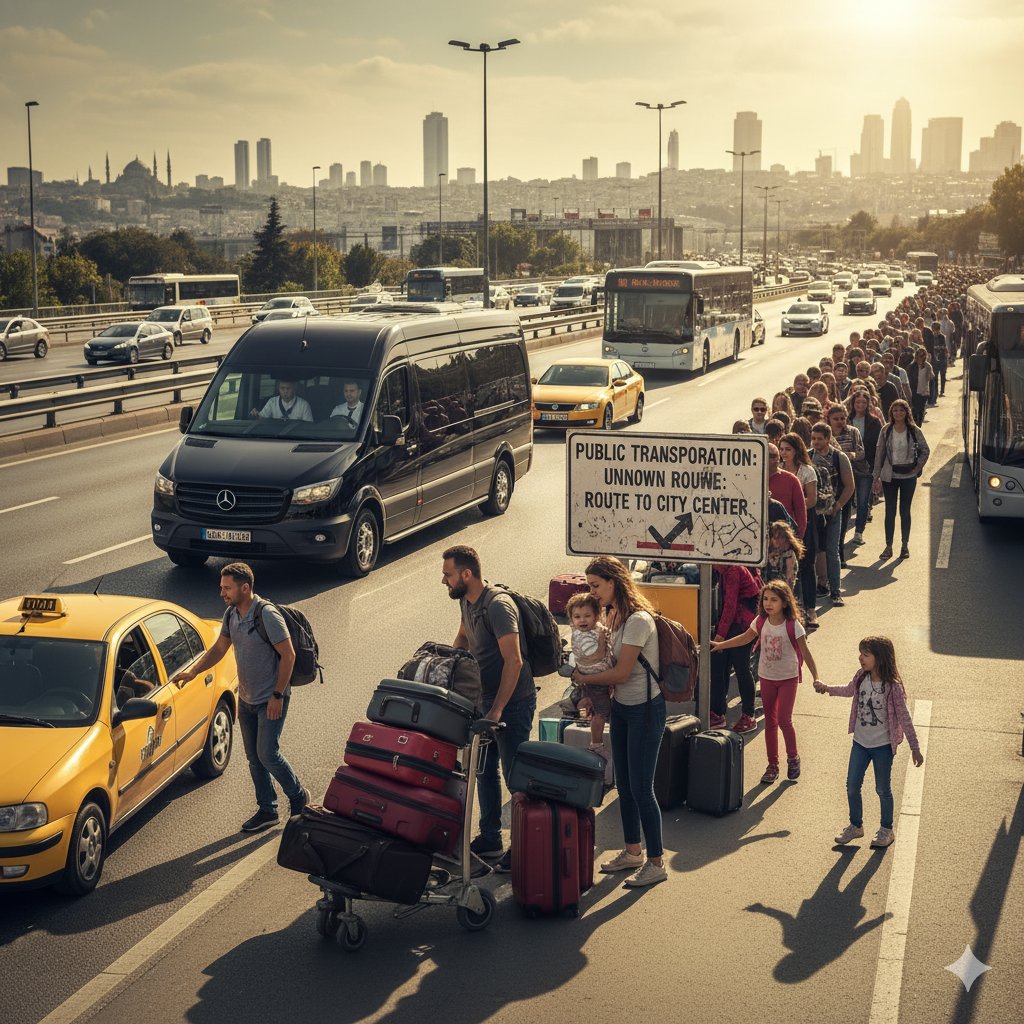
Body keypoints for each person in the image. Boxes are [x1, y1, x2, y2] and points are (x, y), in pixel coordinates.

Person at [170, 562, 308, 832]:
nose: (222, 592)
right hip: (246, 698)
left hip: (271, 697)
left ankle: (298, 795)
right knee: (254, 758)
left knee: (268, 753)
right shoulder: (231, 614)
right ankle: (267, 810)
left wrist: (277, 695)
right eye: (221, 587)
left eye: (227, 588)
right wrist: (192, 671)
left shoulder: (267, 615)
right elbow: (219, 649)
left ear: (245, 588)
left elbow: (288, 655)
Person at [572, 556, 666, 888]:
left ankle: (656, 862)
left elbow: (622, 672)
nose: (592, 592)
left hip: (645, 710)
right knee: (624, 786)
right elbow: (609, 672)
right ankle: (632, 852)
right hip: (623, 708)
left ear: (613, 582)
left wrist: (581, 675)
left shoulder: (638, 620)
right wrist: (589, 691)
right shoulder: (613, 616)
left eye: (595, 586)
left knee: (642, 788)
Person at [443, 545, 536, 874]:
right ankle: (491, 838)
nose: (444, 580)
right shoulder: (468, 603)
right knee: (484, 771)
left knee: (515, 777)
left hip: (512, 704)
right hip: (485, 703)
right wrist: (445, 668)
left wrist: (497, 711)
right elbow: (463, 638)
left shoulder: (497, 606)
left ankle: (523, 845)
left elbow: (514, 660)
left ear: (466, 574)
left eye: (448, 574)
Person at [813, 636, 923, 849]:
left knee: (882, 788)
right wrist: (827, 688)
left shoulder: (893, 687)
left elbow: (904, 717)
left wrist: (915, 748)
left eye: (865, 654)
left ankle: (886, 829)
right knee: (852, 785)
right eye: (861, 653)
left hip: (882, 747)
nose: (860, 658)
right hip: (860, 743)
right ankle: (856, 826)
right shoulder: (861, 677)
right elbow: (848, 690)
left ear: (880, 658)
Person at [712, 580, 821, 784]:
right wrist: (721, 645)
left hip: (788, 678)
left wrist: (816, 677)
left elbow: (805, 653)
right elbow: (745, 638)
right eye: (765, 599)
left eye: (774, 600)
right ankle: (772, 765)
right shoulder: (761, 621)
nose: (768, 603)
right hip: (766, 677)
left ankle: (793, 757)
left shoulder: (793, 625)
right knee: (770, 722)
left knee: (784, 720)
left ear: (785, 603)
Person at [872, 399, 930, 561]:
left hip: (908, 476)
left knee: (905, 511)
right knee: (889, 511)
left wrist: (917, 467)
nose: (898, 413)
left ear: (906, 412)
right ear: (891, 413)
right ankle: (888, 546)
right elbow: (880, 454)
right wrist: (875, 477)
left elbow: (925, 450)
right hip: (890, 476)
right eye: (895, 411)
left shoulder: (913, 430)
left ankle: (905, 545)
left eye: (901, 410)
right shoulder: (886, 430)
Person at [710, 563, 761, 734]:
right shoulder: (723, 571)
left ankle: (749, 714)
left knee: (741, 668)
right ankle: (717, 712)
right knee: (719, 665)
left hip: (743, 625)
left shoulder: (733, 570)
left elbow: (730, 606)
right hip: (735, 624)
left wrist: (720, 637)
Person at [565, 592, 614, 760]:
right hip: (595, 680)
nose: (582, 620)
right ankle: (596, 744)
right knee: (602, 711)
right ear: (571, 619)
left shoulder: (594, 630)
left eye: (587, 616)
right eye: (577, 617)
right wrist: (603, 639)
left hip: (597, 678)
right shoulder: (581, 636)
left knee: (597, 706)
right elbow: (596, 655)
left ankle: (586, 703)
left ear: (596, 616)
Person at [810, 422, 854, 607]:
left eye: (820, 439)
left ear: (828, 439)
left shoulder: (839, 457)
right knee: (817, 550)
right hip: (813, 512)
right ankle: (822, 584)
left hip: (833, 512)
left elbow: (849, 485)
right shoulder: (807, 457)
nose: (816, 442)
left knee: (832, 550)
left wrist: (838, 506)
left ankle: (836, 590)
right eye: (813, 438)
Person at [779, 431, 819, 628]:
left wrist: (794, 504)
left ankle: (811, 610)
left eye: (788, 449)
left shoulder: (806, 472)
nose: (784, 453)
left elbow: (812, 500)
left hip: (803, 524)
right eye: (782, 449)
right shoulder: (776, 470)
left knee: (805, 568)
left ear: (797, 451)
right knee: (785, 572)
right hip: (781, 530)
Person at [826, 405, 864, 564]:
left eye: (843, 418)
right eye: (836, 419)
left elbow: (861, 452)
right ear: (829, 420)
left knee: (843, 519)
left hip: (847, 481)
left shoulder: (853, 432)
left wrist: (852, 456)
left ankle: (839, 555)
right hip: (829, 483)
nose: (840, 422)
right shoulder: (825, 434)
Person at [847, 389, 882, 544]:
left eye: (863, 402)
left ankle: (859, 532)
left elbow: (878, 446)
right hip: (847, 466)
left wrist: (876, 468)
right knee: (847, 500)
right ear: (853, 403)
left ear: (868, 404)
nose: (860, 405)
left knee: (863, 501)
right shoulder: (846, 420)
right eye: (857, 402)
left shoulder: (874, 422)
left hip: (866, 467)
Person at [767, 442, 807, 539]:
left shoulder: (791, 480)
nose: (768, 459)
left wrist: (797, 540)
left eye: (772, 456)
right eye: (765, 455)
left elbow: (800, 512)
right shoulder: (749, 479)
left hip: (783, 539)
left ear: (778, 458)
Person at [765, 521, 803, 588]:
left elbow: (789, 579)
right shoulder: (768, 552)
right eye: (774, 538)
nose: (776, 541)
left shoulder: (789, 555)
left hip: (781, 589)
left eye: (779, 538)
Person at [906, 348, 935, 427]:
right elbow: (908, 379)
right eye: (919, 355)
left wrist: (929, 372)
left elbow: (932, 378)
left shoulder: (928, 366)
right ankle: (914, 425)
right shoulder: (912, 366)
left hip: (924, 392)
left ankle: (919, 425)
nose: (920, 357)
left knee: (921, 410)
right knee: (915, 410)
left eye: (923, 355)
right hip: (914, 391)